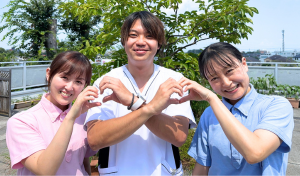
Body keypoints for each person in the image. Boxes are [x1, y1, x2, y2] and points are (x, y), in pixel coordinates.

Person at [85, 11, 196, 175]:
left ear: (158, 44)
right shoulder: (107, 82)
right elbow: (95, 139)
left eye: (149, 36)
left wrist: (133, 102)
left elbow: (179, 136)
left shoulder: (174, 80)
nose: (141, 42)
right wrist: (148, 108)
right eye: (133, 35)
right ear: (124, 41)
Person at [177, 42, 294, 175]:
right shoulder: (209, 114)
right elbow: (202, 168)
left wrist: (212, 98)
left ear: (244, 64)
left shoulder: (276, 105)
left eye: (229, 71)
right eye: (214, 78)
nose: (226, 83)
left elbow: (255, 152)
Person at [6, 51, 101, 175]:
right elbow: (44, 170)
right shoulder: (22, 121)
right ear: (49, 74)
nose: (69, 87)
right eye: (64, 77)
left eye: (78, 82)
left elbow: (83, 161)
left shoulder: (83, 117)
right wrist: (70, 117)